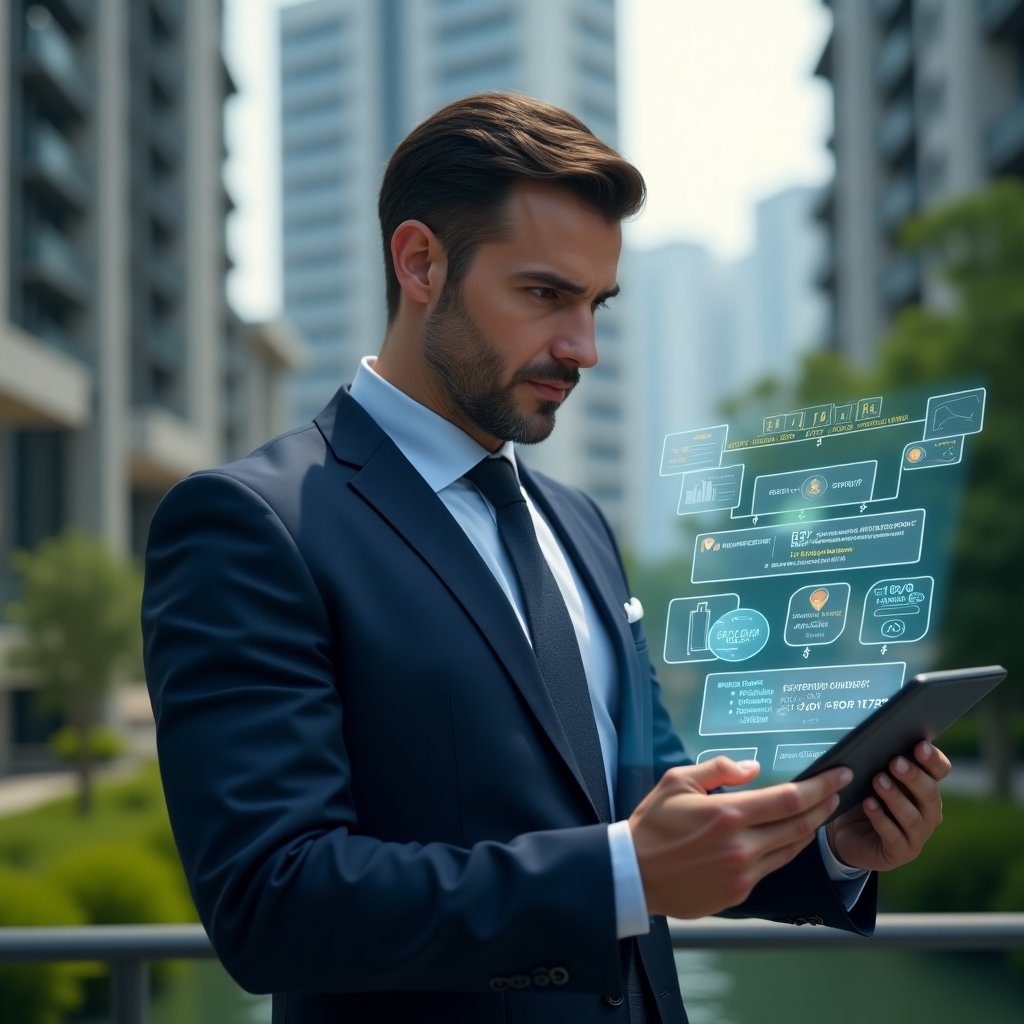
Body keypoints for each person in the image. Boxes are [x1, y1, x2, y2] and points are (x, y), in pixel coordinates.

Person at [142, 93, 949, 1024]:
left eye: (597, 303)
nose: (584, 348)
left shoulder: (577, 523)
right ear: (420, 263)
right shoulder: (251, 524)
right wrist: (621, 871)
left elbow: (650, 810)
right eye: (544, 295)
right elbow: (272, 901)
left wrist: (831, 844)